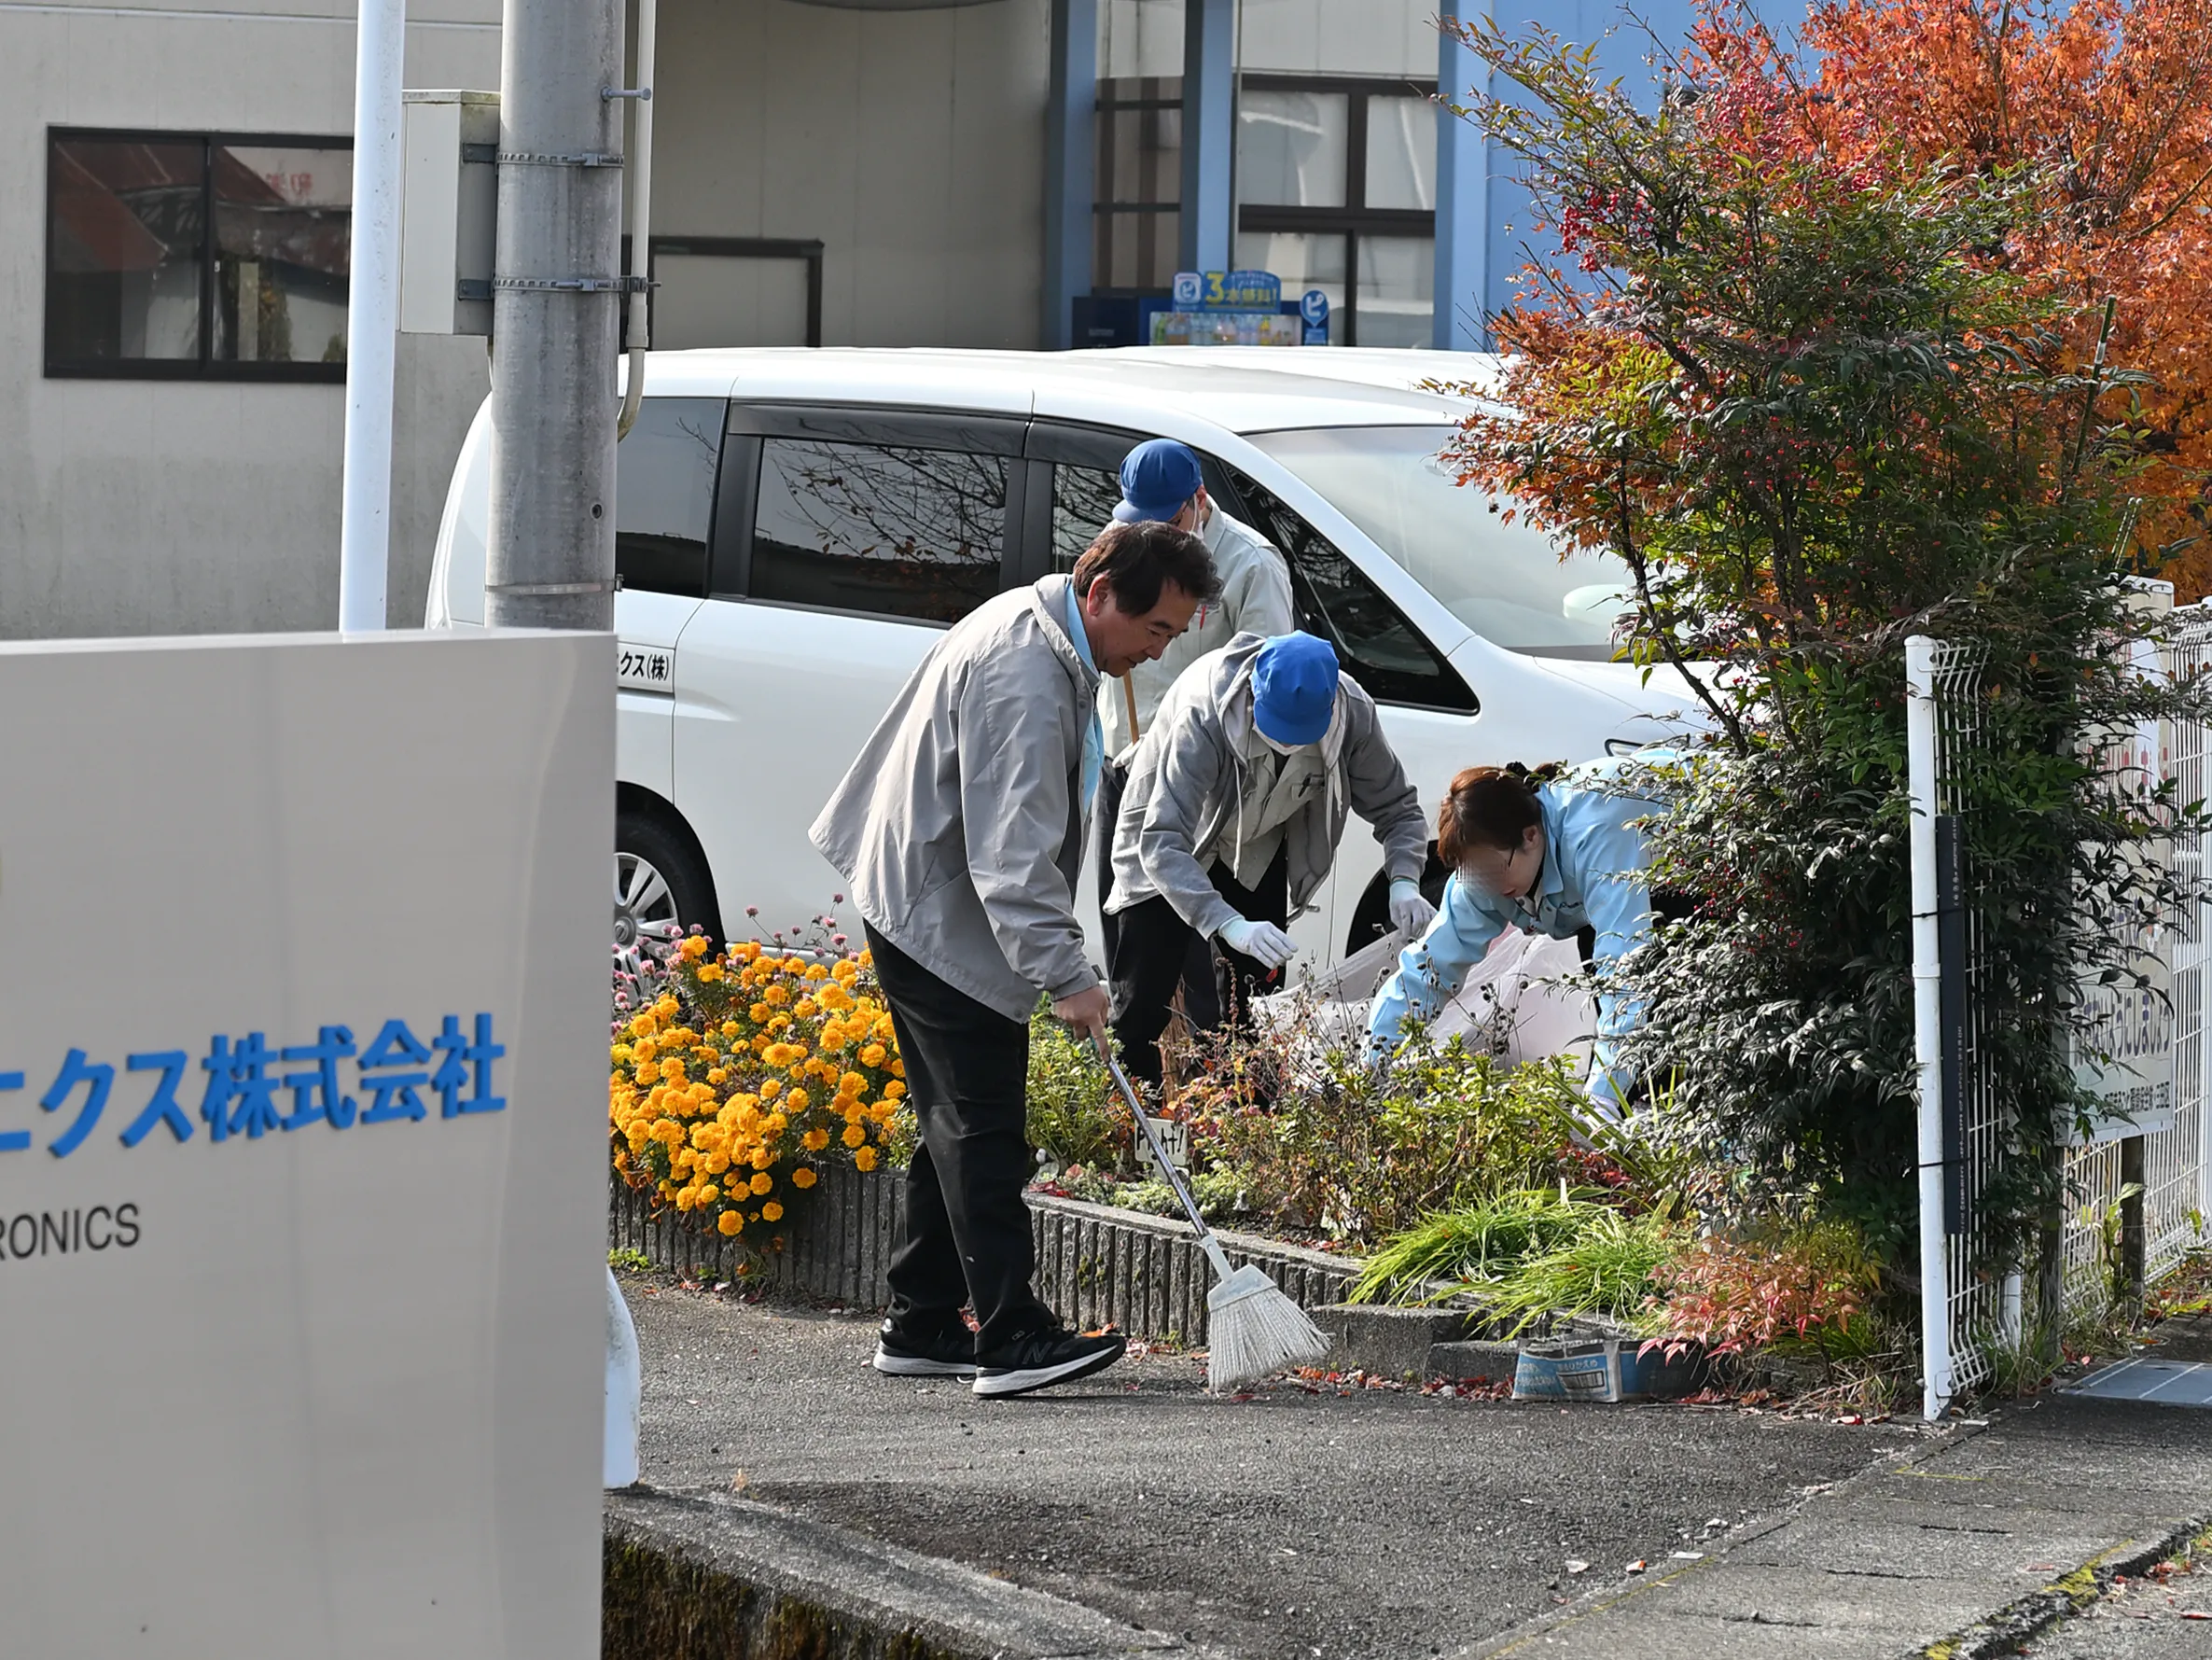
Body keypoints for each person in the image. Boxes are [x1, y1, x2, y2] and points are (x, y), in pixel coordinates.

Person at [810, 520, 1221, 1398]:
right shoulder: (1027, 675)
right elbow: (1012, 854)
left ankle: (921, 1319)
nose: (1152, 655)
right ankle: (1010, 1333)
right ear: (1102, 593)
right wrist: (1069, 974)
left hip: (929, 894)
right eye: (1152, 632)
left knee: (954, 1121)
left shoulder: (1047, 630)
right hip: (940, 914)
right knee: (985, 1127)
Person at [1104, 631, 1434, 1088]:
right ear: (1253, 697)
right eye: (1276, 731)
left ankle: (1244, 1130)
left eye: (1301, 738)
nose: (1287, 747)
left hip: (1256, 844)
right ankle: (1129, 1129)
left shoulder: (1352, 712)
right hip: (1170, 840)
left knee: (1253, 1007)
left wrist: (1404, 880)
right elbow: (1161, 839)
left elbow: (1399, 809)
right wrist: (1226, 922)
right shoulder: (1205, 712)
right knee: (1142, 1004)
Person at [1092, 439, 1298, 1034]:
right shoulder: (1123, 541)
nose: (1154, 532)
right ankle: (1136, 1095)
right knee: (1131, 943)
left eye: (1170, 520)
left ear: (1200, 501)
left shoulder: (1251, 564)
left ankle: (1230, 1097)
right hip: (1124, 762)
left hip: (1208, 780)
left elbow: (1263, 681)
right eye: (1141, 519)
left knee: (1220, 972)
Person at [1367, 756, 1672, 1116]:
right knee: (1629, 1051)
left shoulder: (1593, 832)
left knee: (1675, 1014)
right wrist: (1375, 1069)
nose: (1489, 886)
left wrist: (1603, 1096)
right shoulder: (1480, 882)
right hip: (1619, 896)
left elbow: (1626, 969)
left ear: (1531, 836)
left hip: (1703, 869)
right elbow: (1427, 972)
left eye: (1494, 870)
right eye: (1476, 874)